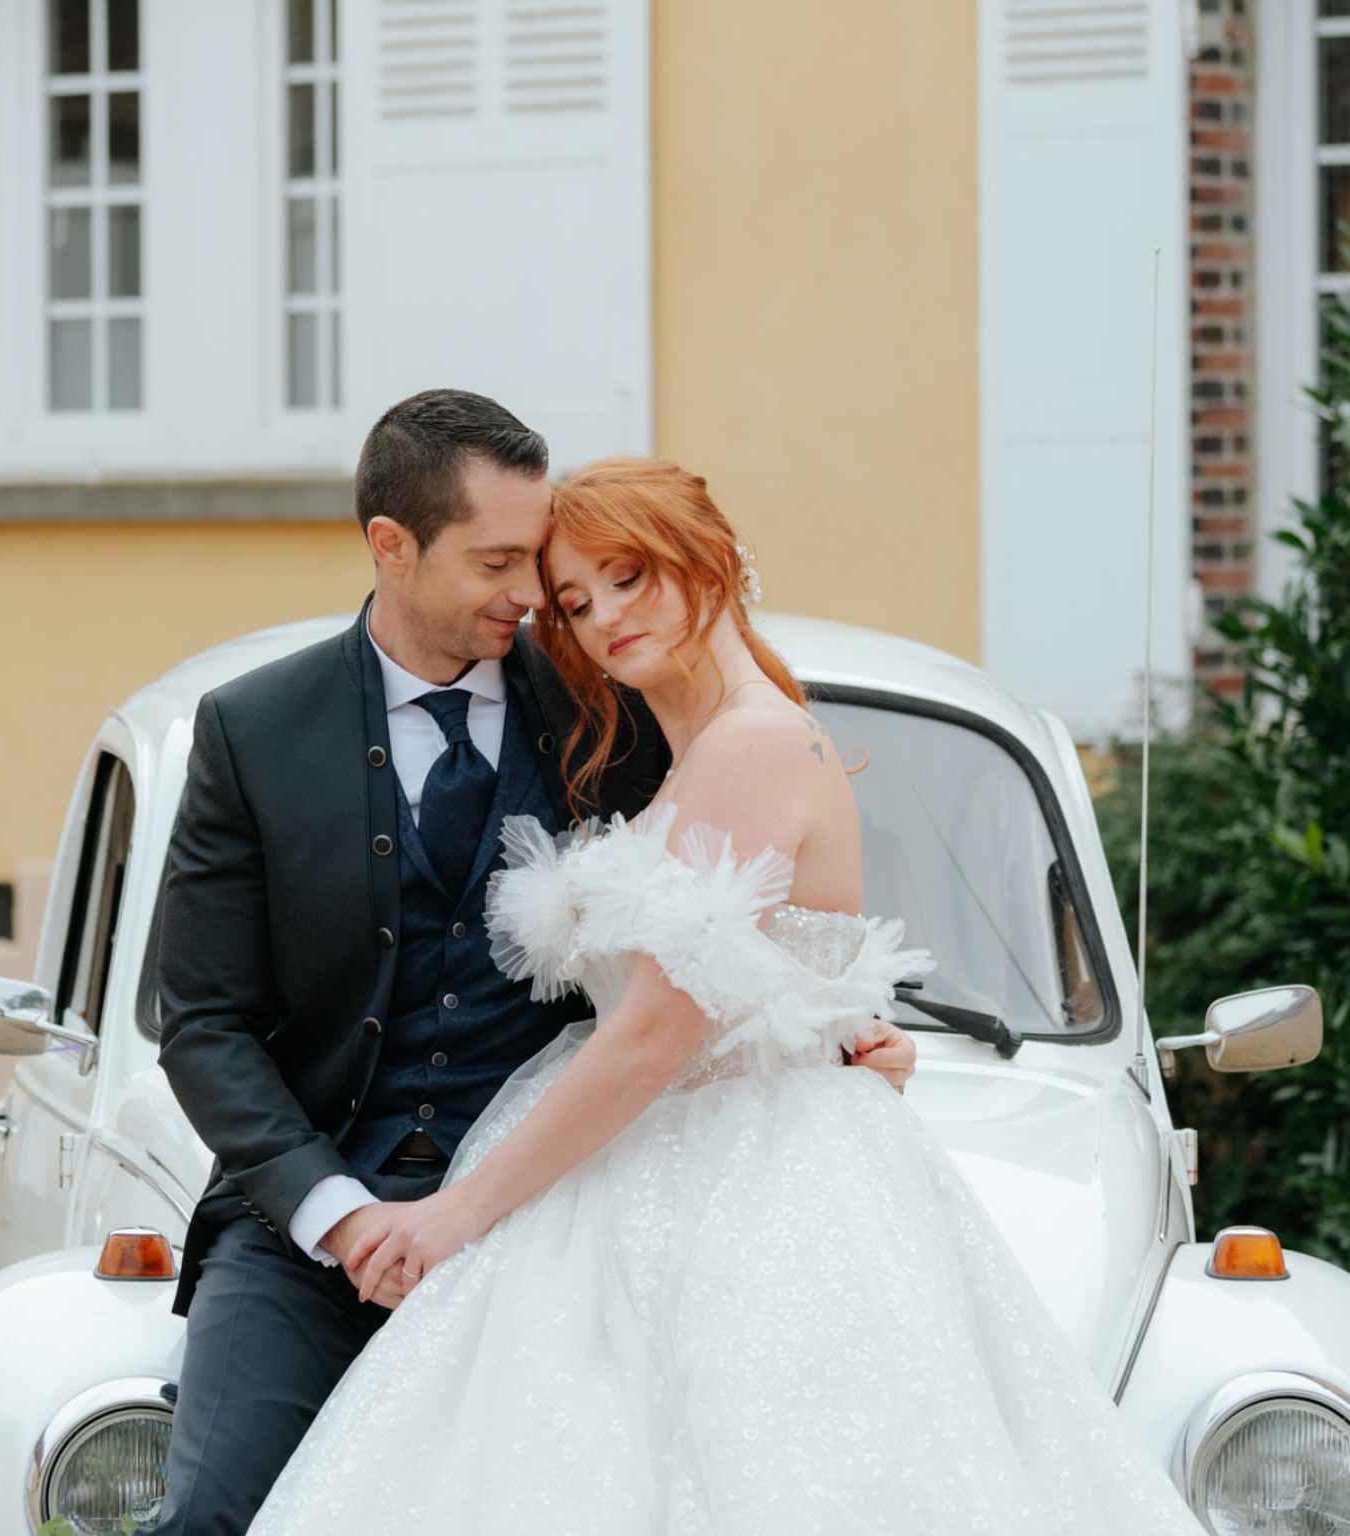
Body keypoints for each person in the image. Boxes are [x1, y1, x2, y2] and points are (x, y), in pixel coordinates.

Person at [246, 457, 1206, 1535]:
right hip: (642, 1162)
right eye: (575, 599)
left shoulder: (749, 743)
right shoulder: (686, 751)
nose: (604, 617)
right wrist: (842, 1027)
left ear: (709, 562)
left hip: (748, 1184)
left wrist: (455, 1217)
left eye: (629, 576)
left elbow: (658, 1031)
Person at [150, 397, 919, 1536]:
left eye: (545, 568)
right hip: (310, 1222)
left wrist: (842, 1025)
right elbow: (203, 1020)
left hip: (551, 1205)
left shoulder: (618, 708)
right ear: (392, 545)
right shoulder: (251, 730)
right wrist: (340, 1214)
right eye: (505, 563)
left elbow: (751, 900)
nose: (542, 600)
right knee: (220, 1515)